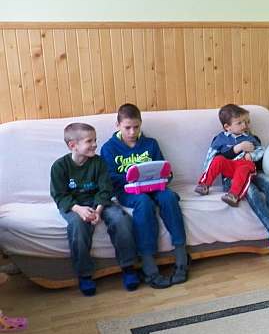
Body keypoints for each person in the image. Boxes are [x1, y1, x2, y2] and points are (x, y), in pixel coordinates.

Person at [50, 123, 139, 296]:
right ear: (73, 145)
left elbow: (105, 189)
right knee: (77, 226)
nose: (95, 144)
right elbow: (59, 195)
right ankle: (84, 275)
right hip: (74, 205)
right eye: (89, 141)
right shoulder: (59, 166)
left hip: (99, 202)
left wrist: (98, 211)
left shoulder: (99, 162)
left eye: (95, 140)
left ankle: (128, 267)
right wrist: (79, 210)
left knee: (120, 219)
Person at [101, 104, 183, 288]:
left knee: (169, 197)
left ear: (140, 124)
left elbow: (163, 167)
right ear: (118, 125)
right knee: (144, 203)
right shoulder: (109, 148)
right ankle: (149, 267)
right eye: (127, 127)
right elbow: (110, 178)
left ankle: (181, 258)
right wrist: (131, 176)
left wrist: (165, 175)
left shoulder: (150, 143)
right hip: (128, 191)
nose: (132, 132)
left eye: (136, 127)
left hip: (154, 186)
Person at [196, 104, 269, 249]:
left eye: (246, 122)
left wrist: (253, 156)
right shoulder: (220, 139)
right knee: (251, 191)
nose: (245, 125)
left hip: (251, 171)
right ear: (227, 127)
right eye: (239, 123)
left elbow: (262, 158)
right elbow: (214, 159)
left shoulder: (252, 138)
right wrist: (237, 149)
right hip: (232, 178)